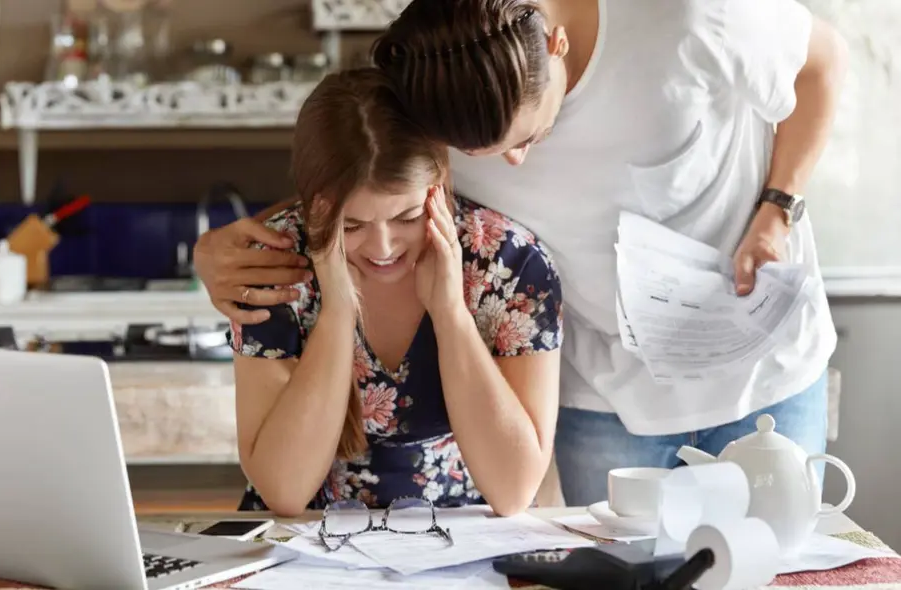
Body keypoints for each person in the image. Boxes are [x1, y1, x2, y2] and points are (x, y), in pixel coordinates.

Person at [196, 0, 848, 506]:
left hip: (762, 369)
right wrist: (217, 250)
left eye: (530, 134)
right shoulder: (437, 72)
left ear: (557, 45)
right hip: (607, 394)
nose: (516, 163)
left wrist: (777, 208)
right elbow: (359, 156)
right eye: (484, 157)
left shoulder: (694, 18)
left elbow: (823, 65)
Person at [228, 67, 563, 517]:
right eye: (352, 225)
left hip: (457, 541)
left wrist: (450, 314)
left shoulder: (511, 265)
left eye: (406, 217)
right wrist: (338, 311)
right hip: (305, 543)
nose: (383, 249)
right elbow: (283, 493)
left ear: (439, 181)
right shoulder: (274, 265)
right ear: (314, 206)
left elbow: (514, 490)